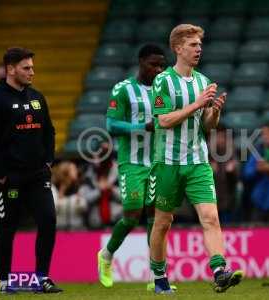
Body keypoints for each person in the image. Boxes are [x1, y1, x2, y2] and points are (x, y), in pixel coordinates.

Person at [147, 24, 243, 294]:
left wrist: (214, 112)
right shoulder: (163, 81)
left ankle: (219, 270)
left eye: (200, 44)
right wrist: (198, 105)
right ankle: (159, 277)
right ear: (178, 48)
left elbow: (207, 126)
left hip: (198, 161)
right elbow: (163, 120)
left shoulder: (203, 81)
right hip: (167, 163)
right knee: (163, 223)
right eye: (193, 44)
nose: (198, 48)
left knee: (211, 217)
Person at [0, 47, 62, 293]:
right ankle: (3, 282)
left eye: (32, 67)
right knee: (7, 227)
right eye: (26, 68)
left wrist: (48, 160)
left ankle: (42, 278)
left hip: (38, 175)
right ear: (11, 69)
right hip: (9, 179)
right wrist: (2, 173)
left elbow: (49, 131)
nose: (32, 72)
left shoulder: (37, 97)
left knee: (48, 220)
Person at [97, 44, 169, 291]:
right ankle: (106, 254)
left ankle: (155, 277)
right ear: (140, 62)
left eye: (162, 65)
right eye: (153, 64)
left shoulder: (166, 89)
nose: (158, 70)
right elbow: (111, 125)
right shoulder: (124, 89)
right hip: (132, 162)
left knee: (156, 216)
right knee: (132, 214)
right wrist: (141, 127)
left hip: (159, 161)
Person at [52, 161, 87, 230]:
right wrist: (61, 193)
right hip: (59, 230)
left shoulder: (79, 187)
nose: (77, 171)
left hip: (78, 229)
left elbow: (84, 207)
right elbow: (54, 209)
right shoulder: (54, 187)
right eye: (74, 169)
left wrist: (79, 200)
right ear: (66, 172)